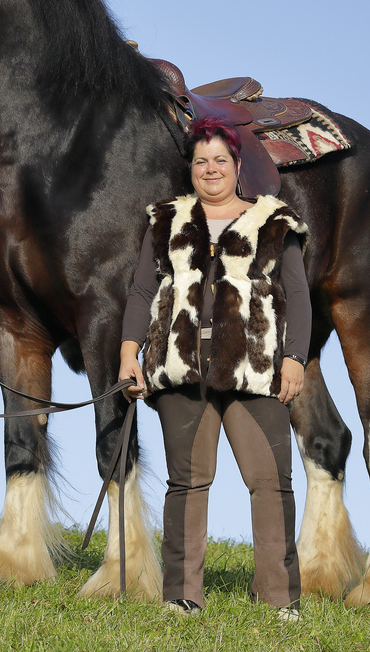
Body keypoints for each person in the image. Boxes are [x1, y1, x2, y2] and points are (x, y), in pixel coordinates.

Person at [120, 117, 311, 619]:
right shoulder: (166, 221)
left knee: (271, 481)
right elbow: (143, 291)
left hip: (255, 369)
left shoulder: (274, 222)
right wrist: (128, 354)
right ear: (192, 168)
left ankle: (278, 599)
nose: (210, 169)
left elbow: (299, 297)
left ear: (237, 165)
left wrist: (294, 359)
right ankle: (183, 596)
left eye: (220, 160)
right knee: (187, 481)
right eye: (201, 160)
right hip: (180, 369)